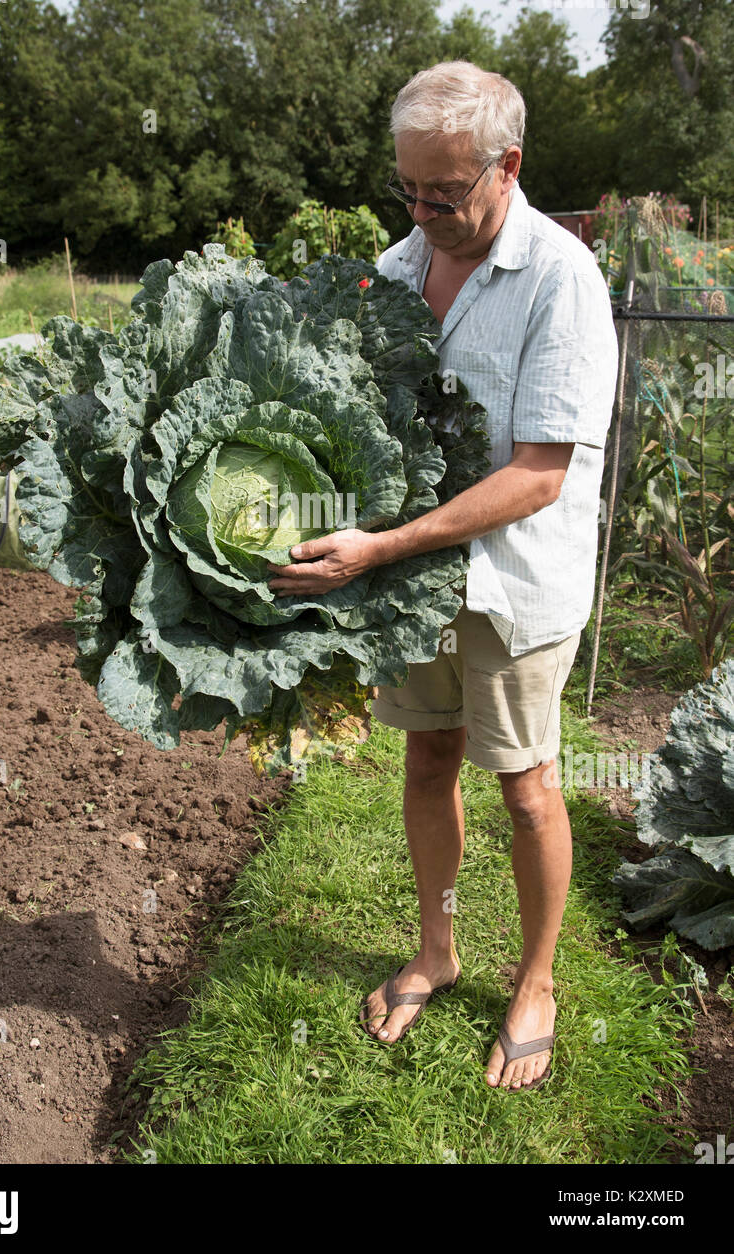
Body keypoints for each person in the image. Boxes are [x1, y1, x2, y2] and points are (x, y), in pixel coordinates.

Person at [267, 60, 618, 1092]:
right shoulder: (395, 265)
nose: (424, 213)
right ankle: (438, 949)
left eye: (446, 194)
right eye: (408, 191)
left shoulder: (562, 280)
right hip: (414, 576)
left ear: (507, 167)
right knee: (427, 761)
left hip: (513, 581)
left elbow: (540, 475)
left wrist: (382, 546)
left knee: (528, 787)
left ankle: (539, 978)